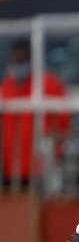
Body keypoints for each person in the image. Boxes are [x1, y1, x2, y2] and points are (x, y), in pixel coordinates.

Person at [1, 38, 70, 187]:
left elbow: (64, 122)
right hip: (9, 171)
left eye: (22, 60)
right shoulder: (5, 87)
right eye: (15, 61)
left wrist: (55, 151)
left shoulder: (48, 85)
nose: (18, 65)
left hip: (39, 169)